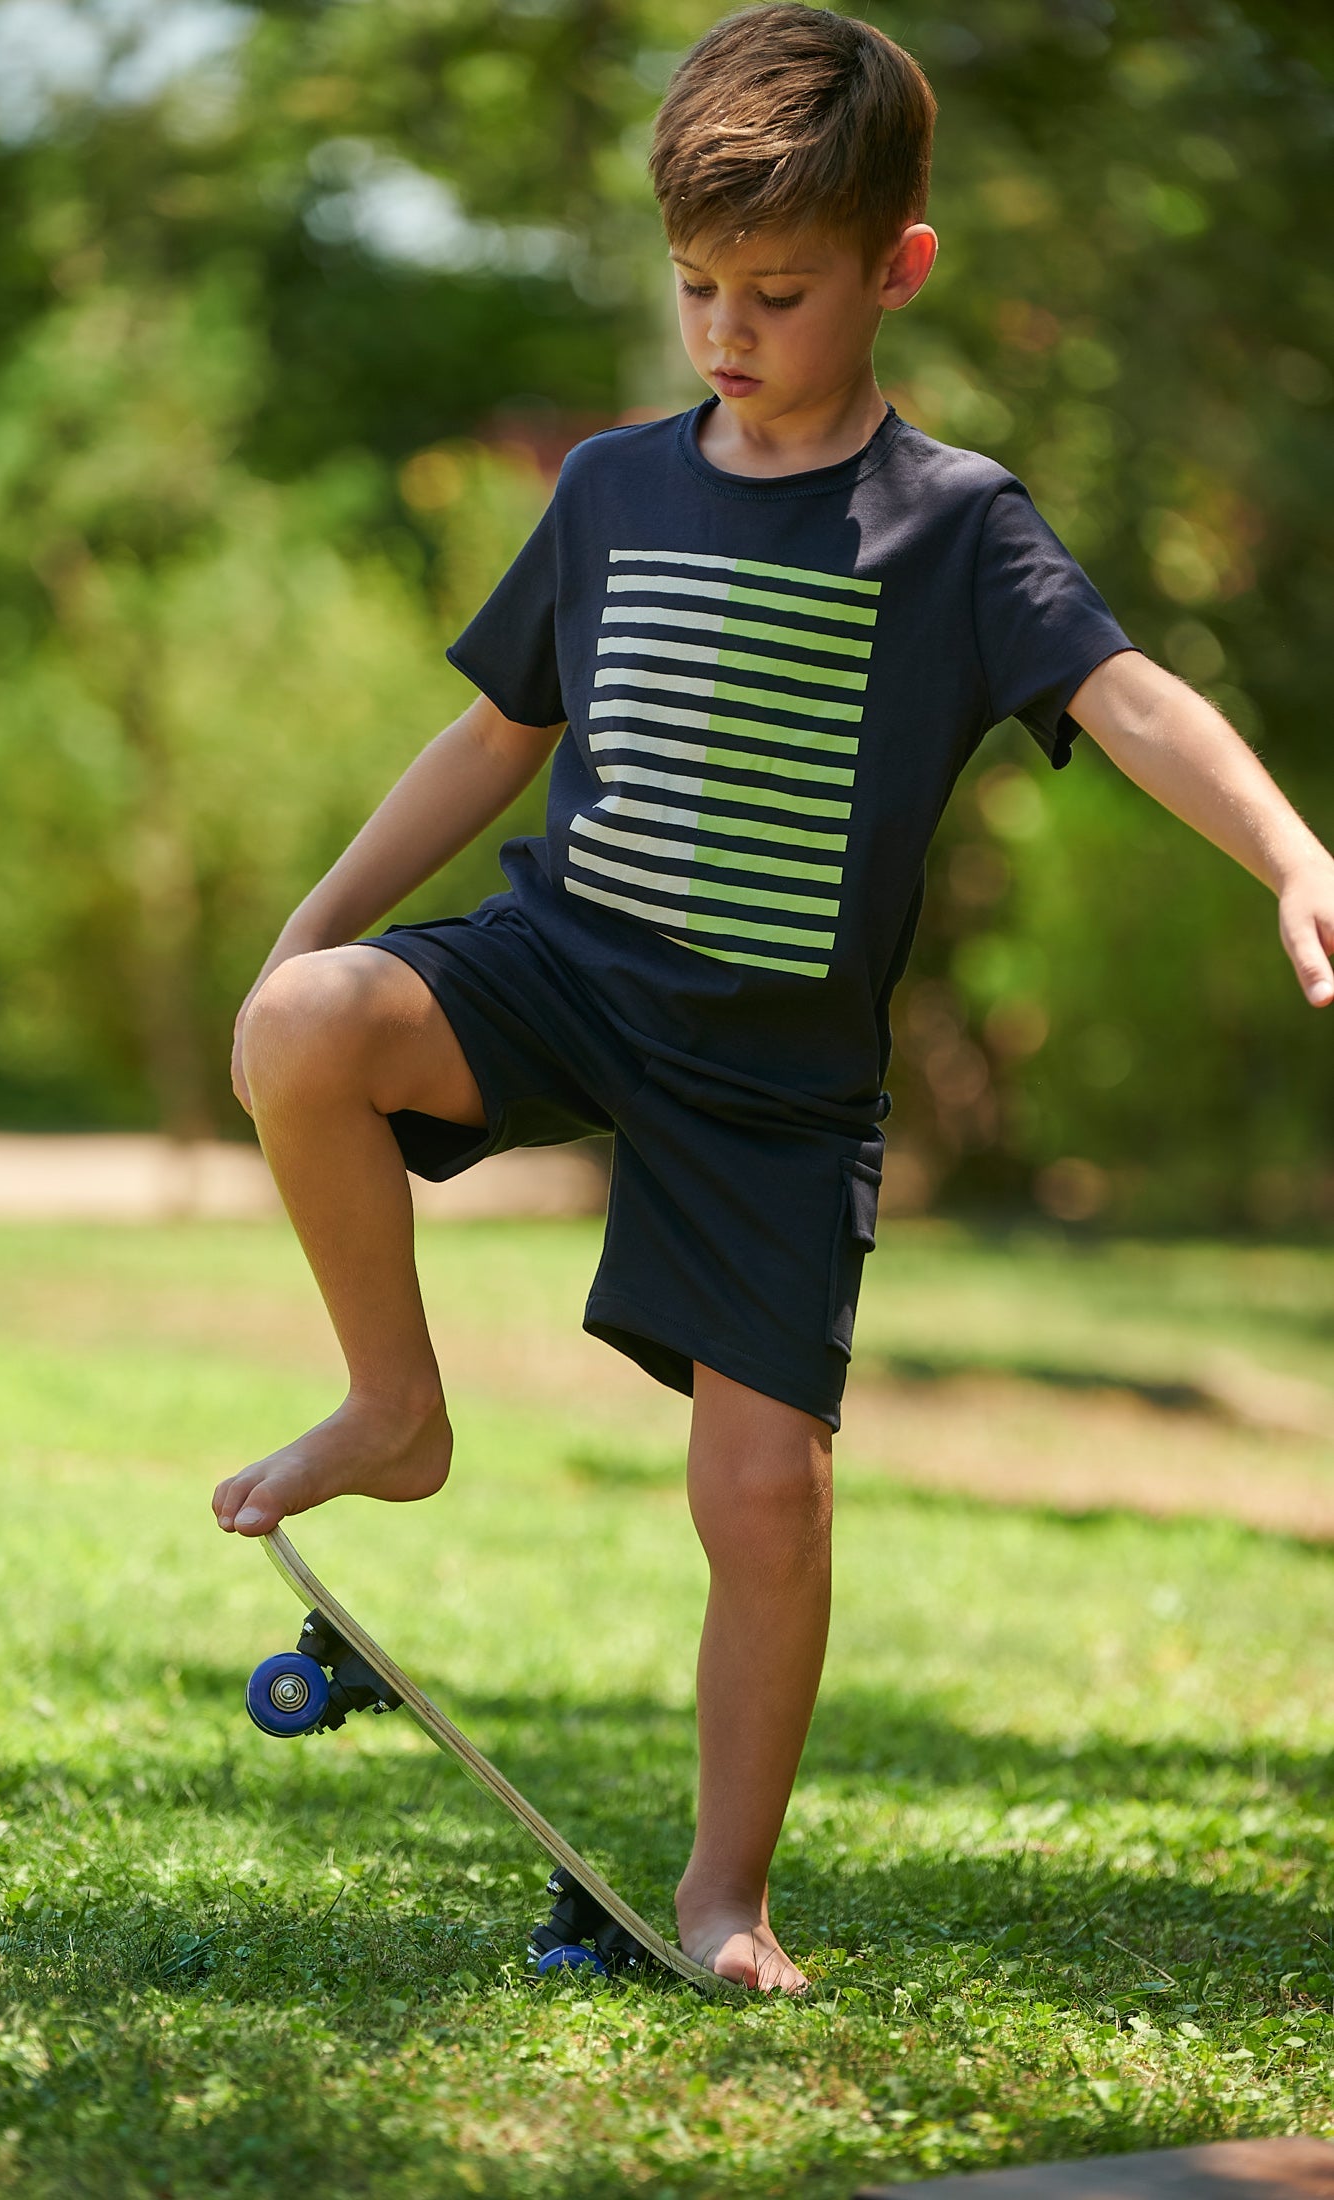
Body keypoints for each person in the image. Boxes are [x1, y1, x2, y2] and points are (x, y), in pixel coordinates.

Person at [213, 4, 1334, 1992]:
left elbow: (1127, 693)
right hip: (565, 969)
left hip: (772, 1082)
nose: (728, 332)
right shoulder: (617, 485)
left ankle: (725, 1893)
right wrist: (314, 924)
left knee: (764, 1496)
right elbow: (492, 736)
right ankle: (396, 1404)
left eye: (778, 293)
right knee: (298, 1028)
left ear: (897, 267)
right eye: (697, 289)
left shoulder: (954, 523)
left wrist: (1291, 852)